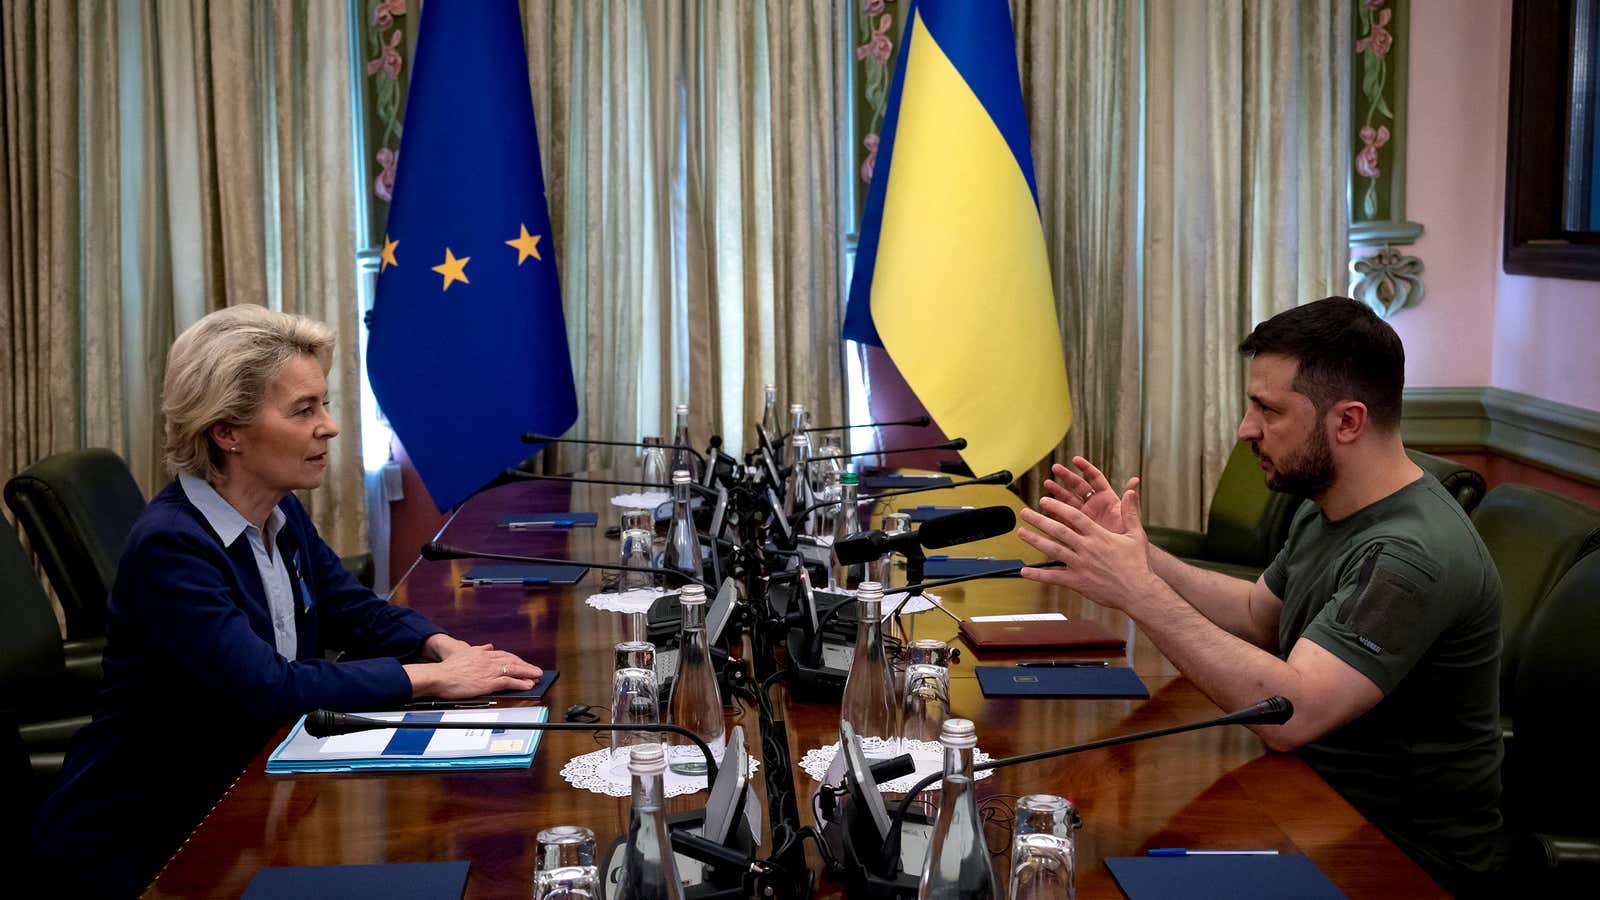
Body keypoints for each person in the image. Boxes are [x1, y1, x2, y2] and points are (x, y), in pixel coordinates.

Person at [32, 305, 543, 897]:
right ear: (227, 431)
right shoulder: (172, 546)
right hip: (150, 834)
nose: (328, 426)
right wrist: (432, 681)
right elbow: (268, 688)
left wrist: (441, 645)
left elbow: (351, 606)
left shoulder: (279, 510)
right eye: (304, 410)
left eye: (323, 405)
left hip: (255, 791)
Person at [1018, 297, 1503, 894]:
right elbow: (1257, 616)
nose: (1246, 429)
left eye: (1267, 410)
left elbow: (1292, 715)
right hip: (1306, 801)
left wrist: (1137, 591)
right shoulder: (1329, 506)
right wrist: (1140, 557)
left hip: (1393, 855)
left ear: (1348, 422)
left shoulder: (1410, 556)